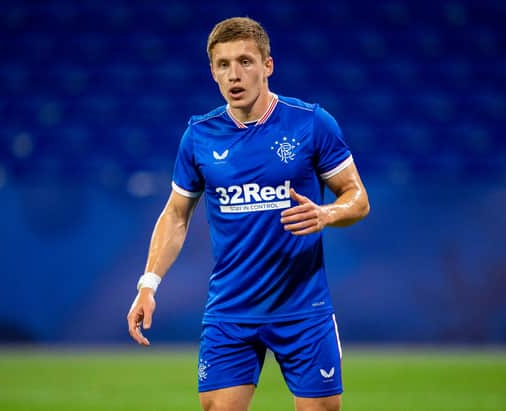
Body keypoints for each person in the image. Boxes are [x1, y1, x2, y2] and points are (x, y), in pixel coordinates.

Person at [127, 16, 369, 411]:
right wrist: (148, 284)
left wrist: (326, 214)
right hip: (232, 309)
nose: (234, 75)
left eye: (245, 62)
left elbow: (357, 197)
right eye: (223, 65)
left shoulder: (310, 123)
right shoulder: (199, 137)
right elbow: (176, 214)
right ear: (212, 72)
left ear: (268, 66)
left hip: (302, 307)